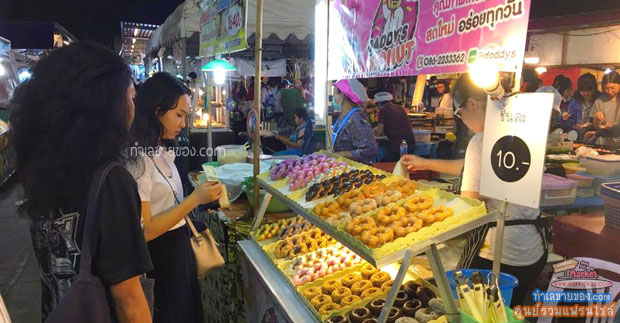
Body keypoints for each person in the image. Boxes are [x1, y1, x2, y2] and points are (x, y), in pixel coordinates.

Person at [10, 42, 153, 322]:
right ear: (106, 105)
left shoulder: (41, 170)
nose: (133, 107)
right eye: (130, 97)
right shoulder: (112, 180)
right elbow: (129, 299)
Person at [401, 74, 547, 307]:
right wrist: (425, 163)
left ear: (472, 104)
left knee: (476, 312)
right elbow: (476, 167)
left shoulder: (480, 141)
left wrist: (427, 208)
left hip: (500, 254)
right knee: (507, 313)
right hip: (532, 250)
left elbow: (468, 202)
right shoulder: (521, 132)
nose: (462, 121)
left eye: (459, 113)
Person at [130, 72, 223, 323]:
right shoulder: (139, 160)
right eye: (179, 115)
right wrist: (195, 199)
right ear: (157, 110)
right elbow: (145, 229)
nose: (183, 123)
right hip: (160, 258)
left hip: (178, 252)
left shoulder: (160, 149)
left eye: (185, 115)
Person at [331, 79, 379, 164]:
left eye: (335, 93)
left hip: (358, 171)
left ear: (342, 95)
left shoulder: (355, 119)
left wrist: (340, 155)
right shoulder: (343, 116)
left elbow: (369, 149)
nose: (333, 96)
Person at [373, 92, 415, 162]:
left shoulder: (383, 110)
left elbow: (379, 131)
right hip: (410, 143)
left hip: (397, 146)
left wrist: (374, 131)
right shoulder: (400, 108)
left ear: (379, 104)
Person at [589, 71, 620, 145]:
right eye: (606, 88)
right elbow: (596, 126)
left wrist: (612, 126)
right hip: (603, 142)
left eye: (613, 88)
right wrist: (596, 118)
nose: (609, 91)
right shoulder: (599, 101)